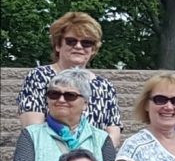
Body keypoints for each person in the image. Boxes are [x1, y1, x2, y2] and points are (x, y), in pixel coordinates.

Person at [17, 11, 123, 145]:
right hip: (49, 158)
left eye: (86, 43)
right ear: (58, 45)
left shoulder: (104, 86)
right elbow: (33, 129)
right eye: (71, 41)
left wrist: (94, 159)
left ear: (93, 49)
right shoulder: (39, 77)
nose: (78, 46)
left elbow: (113, 133)